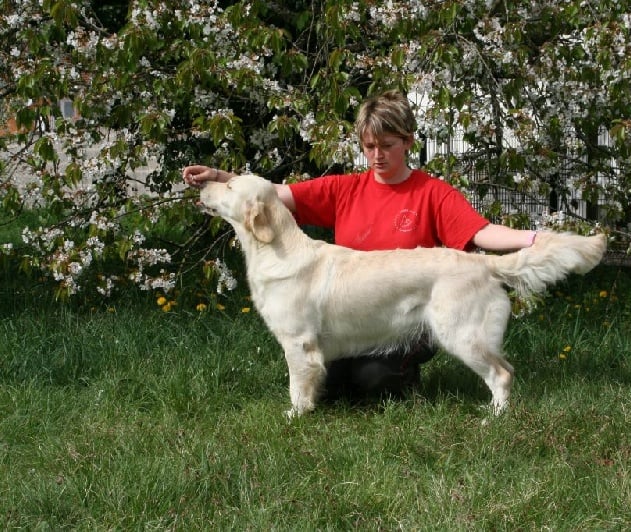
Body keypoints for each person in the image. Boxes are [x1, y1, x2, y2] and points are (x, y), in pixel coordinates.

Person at [183, 89, 537, 401]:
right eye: (369, 147)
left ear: (408, 142)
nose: (377, 155)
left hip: (408, 313)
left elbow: (479, 232)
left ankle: (412, 378)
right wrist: (219, 179)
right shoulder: (346, 188)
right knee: (332, 384)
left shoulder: (432, 192)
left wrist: (531, 240)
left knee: (373, 380)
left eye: (387, 145)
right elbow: (270, 195)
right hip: (356, 318)